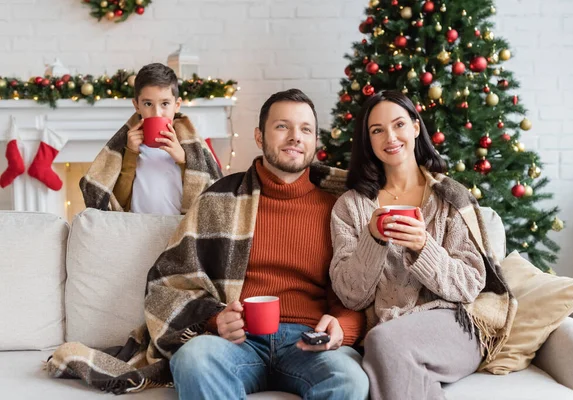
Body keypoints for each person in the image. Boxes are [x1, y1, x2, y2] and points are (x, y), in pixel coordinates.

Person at [47, 89, 369, 399]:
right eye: (282, 126)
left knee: (349, 378)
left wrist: (344, 326)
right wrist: (215, 319)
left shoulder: (340, 206)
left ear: (315, 141)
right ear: (259, 137)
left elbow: (361, 290)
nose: (295, 137)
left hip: (310, 342)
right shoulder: (220, 198)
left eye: (306, 129)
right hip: (238, 342)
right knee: (193, 358)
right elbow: (170, 281)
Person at [329, 90, 516, 400]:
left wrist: (423, 246)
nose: (390, 136)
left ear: (416, 127)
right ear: (368, 141)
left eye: (399, 124)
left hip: (454, 325)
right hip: (388, 330)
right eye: (377, 130)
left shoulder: (450, 198)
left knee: (383, 342)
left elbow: (470, 285)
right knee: (385, 344)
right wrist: (372, 239)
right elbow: (350, 296)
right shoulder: (350, 207)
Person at [79, 63, 222, 215]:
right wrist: (131, 153)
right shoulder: (126, 145)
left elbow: (206, 197)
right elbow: (117, 203)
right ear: (137, 105)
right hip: (138, 226)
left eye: (165, 103)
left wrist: (183, 160)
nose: (157, 113)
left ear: (177, 105)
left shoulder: (191, 147)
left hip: (177, 227)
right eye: (148, 104)